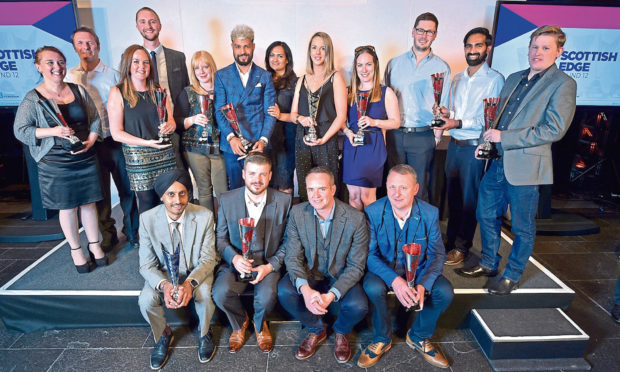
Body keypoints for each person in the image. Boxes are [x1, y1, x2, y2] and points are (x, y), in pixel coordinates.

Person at [457, 25, 577, 295]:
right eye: (535, 47)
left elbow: (553, 130)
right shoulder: (513, 79)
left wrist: (504, 138)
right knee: (485, 214)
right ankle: (488, 263)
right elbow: (496, 120)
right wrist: (485, 144)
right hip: (497, 161)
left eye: (546, 48)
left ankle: (512, 274)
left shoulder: (563, 84)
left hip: (526, 167)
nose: (538, 52)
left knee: (523, 227)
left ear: (559, 51)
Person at [14, 46, 107, 273]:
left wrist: (92, 140)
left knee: (88, 203)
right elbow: (21, 131)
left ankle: (95, 245)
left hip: (84, 155)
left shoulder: (78, 90)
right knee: (67, 207)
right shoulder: (32, 99)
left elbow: (95, 120)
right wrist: (53, 131)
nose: (57, 67)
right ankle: (76, 249)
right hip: (55, 160)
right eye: (50, 63)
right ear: (39, 67)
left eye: (61, 62)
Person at [359, 164, 453, 368]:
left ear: (416, 189)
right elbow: (369, 254)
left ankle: (418, 336)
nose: (397, 193)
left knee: (445, 291)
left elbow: (438, 254)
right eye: (392, 187)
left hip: (419, 272)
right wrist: (395, 280)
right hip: (384, 270)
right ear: (385, 186)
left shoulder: (429, 213)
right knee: (372, 287)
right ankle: (382, 339)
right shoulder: (373, 212)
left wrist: (423, 285)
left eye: (404, 187)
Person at [277, 167, 368, 364]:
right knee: (285, 291)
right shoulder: (297, 213)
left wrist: (332, 294)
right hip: (309, 274)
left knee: (359, 306)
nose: (315, 195)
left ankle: (341, 330)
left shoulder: (356, 218)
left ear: (333, 189)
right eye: (310, 190)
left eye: (321, 189)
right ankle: (317, 329)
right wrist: (306, 290)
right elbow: (292, 257)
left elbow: (356, 266)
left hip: (340, 275)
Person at [433, 28, 504, 265]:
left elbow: (489, 119)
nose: (473, 51)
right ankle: (450, 242)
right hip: (454, 144)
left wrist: (456, 121)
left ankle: (462, 247)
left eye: (478, 46)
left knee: (468, 199)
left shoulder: (495, 80)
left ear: (488, 48)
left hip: (475, 147)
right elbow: (456, 113)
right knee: (452, 197)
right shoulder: (457, 78)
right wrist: (446, 114)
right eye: (469, 46)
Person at [66, 26, 139, 251]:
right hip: (90, 144)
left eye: (90, 43)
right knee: (100, 194)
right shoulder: (70, 77)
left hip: (115, 141)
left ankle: (132, 230)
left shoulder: (114, 75)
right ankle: (108, 234)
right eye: (80, 43)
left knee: (127, 188)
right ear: (75, 47)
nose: (86, 47)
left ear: (97, 45)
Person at [138, 169, 218, 369]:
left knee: (206, 294)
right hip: (164, 274)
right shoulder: (147, 219)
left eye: (182, 193)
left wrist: (190, 284)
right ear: (162, 196)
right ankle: (163, 334)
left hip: (195, 271)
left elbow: (208, 258)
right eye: (171, 194)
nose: (177, 200)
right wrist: (165, 285)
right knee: (145, 300)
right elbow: (146, 265)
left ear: (188, 194)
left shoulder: (205, 216)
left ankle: (204, 331)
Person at [213, 153, 292, 353]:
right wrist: (235, 258)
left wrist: (270, 266)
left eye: (262, 174)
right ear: (243, 174)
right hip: (236, 264)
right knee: (220, 293)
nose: (257, 180)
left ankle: (260, 324)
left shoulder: (284, 201)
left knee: (267, 295)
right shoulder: (227, 200)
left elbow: (289, 242)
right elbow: (220, 239)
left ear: (270, 175)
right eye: (252, 174)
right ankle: (240, 323)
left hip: (267, 263)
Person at [384, 12, 451, 202]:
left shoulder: (442, 68)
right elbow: (384, 101)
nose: (424, 35)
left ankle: (417, 231)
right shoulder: (394, 64)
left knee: (418, 188)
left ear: (435, 35)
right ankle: (395, 231)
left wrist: (437, 136)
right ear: (413, 32)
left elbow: (443, 105)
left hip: (422, 136)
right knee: (394, 188)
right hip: (395, 135)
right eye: (421, 30)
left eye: (429, 32)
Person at [108, 44, 177, 214]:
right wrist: (146, 143)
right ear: (128, 65)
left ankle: (169, 239)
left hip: (164, 153)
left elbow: (172, 122)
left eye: (146, 63)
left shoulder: (159, 90)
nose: (142, 67)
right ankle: (149, 240)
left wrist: (170, 126)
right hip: (139, 156)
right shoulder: (118, 92)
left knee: (168, 199)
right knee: (147, 202)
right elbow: (116, 133)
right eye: (136, 62)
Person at [214, 24, 276, 189]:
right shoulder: (221, 75)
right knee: (236, 189)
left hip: (258, 143)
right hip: (233, 145)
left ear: (253, 46)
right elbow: (219, 111)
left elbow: (270, 112)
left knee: (260, 188)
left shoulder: (265, 76)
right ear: (232, 47)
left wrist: (263, 140)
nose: (242, 51)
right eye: (238, 46)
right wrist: (231, 138)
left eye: (246, 46)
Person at [290, 32, 347, 201]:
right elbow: (293, 114)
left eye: (323, 48)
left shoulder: (335, 77)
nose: (318, 52)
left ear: (328, 52)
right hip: (303, 138)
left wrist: (324, 139)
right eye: (314, 47)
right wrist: (301, 119)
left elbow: (341, 116)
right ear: (309, 51)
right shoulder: (301, 80)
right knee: (304, 187)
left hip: (326, 138)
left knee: (327, 188)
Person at [342, 45, 400, 210]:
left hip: (373, 146)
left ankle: (372, 235)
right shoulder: (349, 93)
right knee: (353, 197)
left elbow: (395, 122)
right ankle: (358, 235)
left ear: (375, 66)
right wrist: (348, 133)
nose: (364, 69)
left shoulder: (385, 92)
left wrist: (374, 122)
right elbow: (341, 121)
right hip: (352, 146)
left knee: (367, 197)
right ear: (355, 68)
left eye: (368, 64)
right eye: (360, 65)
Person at [136, 6, 189, 169]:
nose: (148, 26)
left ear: (159, 25)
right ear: (137, 27)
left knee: (183, 173)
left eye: (152, 21)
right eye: (143, 22)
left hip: (178, 125)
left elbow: (187, 91)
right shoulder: (133, 60)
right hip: (148, 131)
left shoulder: (177, 57)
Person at [174, 50, 227, 212]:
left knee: (223, 191)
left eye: (205, 67)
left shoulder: (222, 89)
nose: (202, 72)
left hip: (219, 148)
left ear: (212, 67)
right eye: (197, 68)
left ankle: (224, 230)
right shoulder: (187, 92)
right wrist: (192, 119)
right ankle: (209, 227)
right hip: (194, 148)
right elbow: (176, 121)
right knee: (204, 191)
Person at [265, 41, 298, 194]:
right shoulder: (263, 79)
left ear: (287, 59)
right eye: (272, 55)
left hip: (287, 138)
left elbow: (299, 116)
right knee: (267, 181)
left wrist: (280, 115)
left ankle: (285, 217)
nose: (275, 59)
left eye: (280, 56)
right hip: (266, 139)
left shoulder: (295, 83)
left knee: (284, 181)